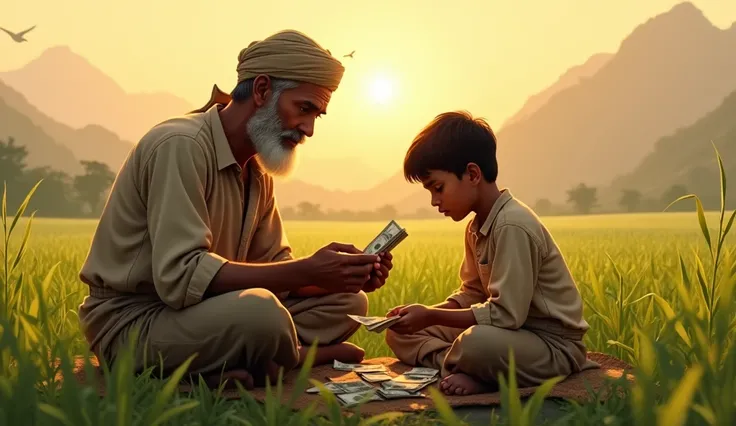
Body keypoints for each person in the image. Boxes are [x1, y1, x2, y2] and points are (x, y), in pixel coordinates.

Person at [76, 29, 394, 390]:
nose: (308, 129)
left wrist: (334, 277)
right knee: (261, 313)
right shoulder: (181, 145)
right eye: (304, 108)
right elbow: (180, 277)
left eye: (316, 115)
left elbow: (272, 270)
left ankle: (259, 359)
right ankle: (295, 355)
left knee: (350, 301)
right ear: (261, 91)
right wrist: (306, 269)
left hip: (202, 315)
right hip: (136, 322)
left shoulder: (257, 172)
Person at [384, 111, 597, 396]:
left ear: (472, 174)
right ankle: (462, 367)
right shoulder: (476, 227)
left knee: (477, 343)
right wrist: (422, 316)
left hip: (550, 345)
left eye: (438, 188)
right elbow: (472, 293)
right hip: (509, 337)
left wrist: (431, 316)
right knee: (399, 332)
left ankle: (470, 368)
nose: (435, 201)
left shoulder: (512, 225)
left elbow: (506, 315)